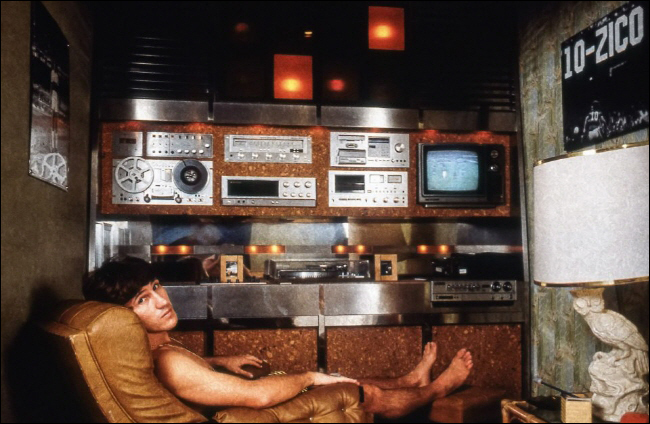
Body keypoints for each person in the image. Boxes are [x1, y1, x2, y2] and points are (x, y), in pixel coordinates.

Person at [83, 256, 473, 419]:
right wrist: (309, 377)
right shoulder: (168, 361)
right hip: (252, 413)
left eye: (156, 287)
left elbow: (184, 375)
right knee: (360, 393)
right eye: (142, 299)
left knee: (335, 377)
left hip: (232, 398)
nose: (161, 301)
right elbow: (258, 398)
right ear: (123, 314)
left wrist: (217, 362)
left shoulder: (151, 347)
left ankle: (410, 379)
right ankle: (437, 389)